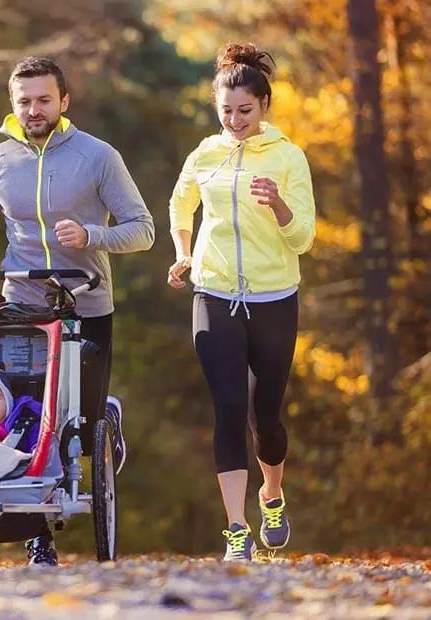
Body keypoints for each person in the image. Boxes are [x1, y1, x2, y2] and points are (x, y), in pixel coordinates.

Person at [0, 56, 155, 565]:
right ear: (12, 106)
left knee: (81, 429)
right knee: (28, 418)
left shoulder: (97, 156)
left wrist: (92, 236)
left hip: (86, 301)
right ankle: (40, 537)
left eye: (44, 100)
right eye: (24, 102)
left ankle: (103, 413)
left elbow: (143, 229)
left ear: (64, 102)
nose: (34, 109)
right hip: (22, 305)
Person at [166, 43, 316, 561]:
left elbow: (304, 240)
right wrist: (184, 254)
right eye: (225, 110)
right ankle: (237, 530)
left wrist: (277, 204)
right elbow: (179, 204)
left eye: (244, 111)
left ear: (264, 106)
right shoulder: (204, 154)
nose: (234, 120)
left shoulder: (288, 157)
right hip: (214, 293)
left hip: (275, 299)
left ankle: (271, 495)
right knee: (228, 409)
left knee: (265, 416)